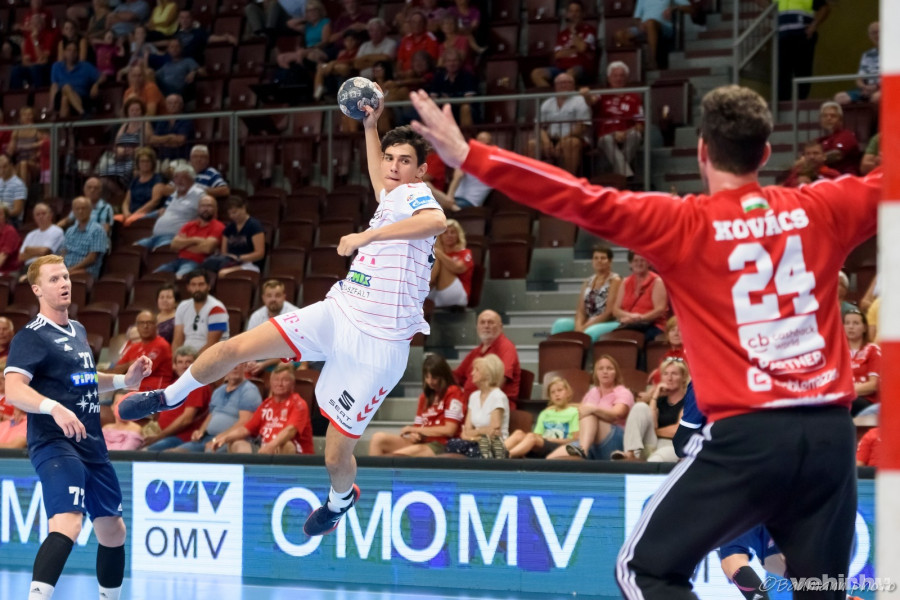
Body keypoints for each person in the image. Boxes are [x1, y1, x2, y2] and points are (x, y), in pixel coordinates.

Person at [409, 83, 881, 599]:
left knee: (644, 571)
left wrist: (471, 156)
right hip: (831, 437)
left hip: (749, 438)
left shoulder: (682, 223)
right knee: (821, 589)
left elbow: (576, 196)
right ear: (765, 153)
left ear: (702, 151)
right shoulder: (823, 206)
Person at [117, 93, 446, 537]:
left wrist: (366, 237)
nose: (393, 166)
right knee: (233, 348)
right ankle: (170, 396)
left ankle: (340, 500)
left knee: (335, 457)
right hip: (340, 310)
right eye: (390, 158)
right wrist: (370, 127)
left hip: (380, 345)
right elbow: (377, 174)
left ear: (420, 171)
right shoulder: (390, 196)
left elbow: (436, 222)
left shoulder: (417, 195)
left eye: (405, 161)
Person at [4, 255, 152, 600]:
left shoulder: (79, 330)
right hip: (54, 442)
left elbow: (84, 379)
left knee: (113, 530)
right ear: (37, 289)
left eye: (66, 277)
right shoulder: (31, 337)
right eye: (54, 279)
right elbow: (13, 390)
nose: (64, 284)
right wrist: (53, 408)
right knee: (68, 523)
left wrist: (124, 380)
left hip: (91, 443)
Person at [368, 353, 465, 457]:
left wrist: (415, 430)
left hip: (441, 444)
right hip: (421, 441)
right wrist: (414, 435)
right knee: (378, 438)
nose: (430, 382)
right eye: (427, 377)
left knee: (395, 457)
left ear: (442, 375)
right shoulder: (424, 397)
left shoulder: (454, 392)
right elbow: (417, 427)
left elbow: (449, 430)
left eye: (434, 378)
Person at [207, 363, 314, 454]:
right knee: (237, 443)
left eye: (285, 380)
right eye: (276, 380)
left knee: (286, 445)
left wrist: (271, 446)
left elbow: (289, 431)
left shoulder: (299, 404)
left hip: (292, 452)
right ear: (270, 383)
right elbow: (246, 429)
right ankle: (250, 471)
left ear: (292, 384)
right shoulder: (266, 405)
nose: (280, 384)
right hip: (264, 449)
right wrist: (224, 438)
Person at [167, 363, 262, 453]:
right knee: (173, 454)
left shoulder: (249, 390)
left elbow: (245, 422)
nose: (235, 367)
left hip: (230, 440)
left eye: (239, 363)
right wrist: (200, 431)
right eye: (232, 364)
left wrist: (220, 438)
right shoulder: (218, 391)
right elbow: (211, 415)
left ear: (244, 366)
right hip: (206, 438)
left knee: (209, 453)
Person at [613, 356, 688, 462]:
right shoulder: (659, 401)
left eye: (674, 374)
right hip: (653, 442)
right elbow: (652, 423)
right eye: (665, 374)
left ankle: (642, 465)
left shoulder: (689, 401)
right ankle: (631, 454)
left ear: (683, 377)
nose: (669, 378)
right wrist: (655, 396)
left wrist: (655, 431)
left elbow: (678, 431)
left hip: (673, 446)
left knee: (657, 458)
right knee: (640, 407)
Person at [141, 345, 210, 451]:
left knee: (145, 453)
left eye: (188, 362)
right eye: (180, 362)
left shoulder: (197, 385)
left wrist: (159, 437)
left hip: (181, 437)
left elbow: (186, 419)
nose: (184, 366)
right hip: (162, 433)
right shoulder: (176, 383)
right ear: (174, 366)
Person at [583, 62, 646, 178]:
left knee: (636, 135)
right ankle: (626, 175)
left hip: (627, 133)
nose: (618, 79)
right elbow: (591, 101)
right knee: (606, 139)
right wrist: (586, 95)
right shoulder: (602, 94)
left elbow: (640, 125)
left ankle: (619, 173)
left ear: (626, 78)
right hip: (606, 135)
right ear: (608, 78)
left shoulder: (634, 98)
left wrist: (624, 133)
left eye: (622, 76)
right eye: (615, 76)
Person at [444, 354, 510, 459]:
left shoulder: (498, 396)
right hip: (476, 442)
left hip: (494, 445)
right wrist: (479, 434)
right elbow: (465, 432)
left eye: (477, 370)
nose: (472, 373)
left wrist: (473, 434)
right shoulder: (474, 396)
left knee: (480, 449)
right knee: (451, 444)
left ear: (488, 374)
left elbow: (493, 432)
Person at [551, 244, 622, 341]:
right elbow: (581, 310)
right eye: (596, 258)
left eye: (603, 258)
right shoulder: (587, 282)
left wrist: (585, 327)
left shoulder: (615, 280)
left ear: (610, 261)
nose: (599, 261)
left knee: (590, 332)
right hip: (588, 320)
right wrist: (578, 327)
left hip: (607, 321)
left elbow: (609, 312)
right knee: (560, 324)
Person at [528, 72, 592, 175]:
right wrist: (546, 142)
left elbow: (582, 126)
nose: (563, 85)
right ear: (555, 86)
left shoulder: (580, 100)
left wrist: (562, 141)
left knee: (570, 143)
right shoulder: (547, 103)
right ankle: (534, 179)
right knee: (532, 144)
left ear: (573, 85)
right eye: (560, 83)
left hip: (574, 137)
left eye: (567, 82)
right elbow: (539, 126)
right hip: (551, 138)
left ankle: (568, 179)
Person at [453, 309, 521, 405]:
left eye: (491, 322)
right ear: (477, 327)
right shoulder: (476, 351)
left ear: (500, 327)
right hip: (471, 404)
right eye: (482, 322)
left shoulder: (507, 347)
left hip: (494, 405)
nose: (486, 326)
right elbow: (457, 376)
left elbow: (500, 379)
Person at [505, 376, 579, 459]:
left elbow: (575, 440)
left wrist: (552, 440)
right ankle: (496, 453)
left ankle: (507, 455)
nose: (556, 394)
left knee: (531, 436)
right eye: (552, 392)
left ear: (568, 393)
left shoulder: (574, 412)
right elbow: (537, 435)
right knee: (519, 433)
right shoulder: (545, 413)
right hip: (543, 445)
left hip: (560, 447)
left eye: (560, 390)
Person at [134, 163, 204, 249]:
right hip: (154, 237)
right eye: (176, 177)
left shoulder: (198, 194)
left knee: (159, 252)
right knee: (133, 249)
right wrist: (138, 218)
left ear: (191, 179)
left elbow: (206, 217)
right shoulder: (175, 194)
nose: (178, 181)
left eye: (183, 178)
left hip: (173, 238)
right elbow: (163, 211)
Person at [155, 194, 224, 278]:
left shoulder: (218, 226)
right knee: (155, 276)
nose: (205, 209)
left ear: (216, 209)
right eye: (203, 206)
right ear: (198, 209)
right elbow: (174, 245)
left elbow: (207, 248)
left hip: (198, 263)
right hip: (178, 260)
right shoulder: (189, 225)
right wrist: (195, 240)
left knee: (179, 278)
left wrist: (184, 245)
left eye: (209, 206)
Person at [531, 1, 597, 87]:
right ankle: (554, 95)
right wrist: (575, 50)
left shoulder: (589, 30)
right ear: (567, 14)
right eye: (571, 11)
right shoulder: (562, 34)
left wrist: (573, 31)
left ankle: (565, 94)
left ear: (582, 14)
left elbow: (582, 48)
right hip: (561, 68)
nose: (574, 14)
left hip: (581, 69)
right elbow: (557, 55)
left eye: (577, 11)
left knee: (569, 74)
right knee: (536, 73)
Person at [775, 0, 830, 101]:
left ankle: (801, 99)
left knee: (802, 70)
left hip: (802, 34)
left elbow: (824, 8)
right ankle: (783, 102)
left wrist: (814, 25)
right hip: (783, 36)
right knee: (783, 71)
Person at [615, 0, 692, 71]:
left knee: (650, 23)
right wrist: (639, 24)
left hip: (664, 26)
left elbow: (690, 7)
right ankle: (640, 57)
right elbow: (636, 18)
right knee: (619, 35)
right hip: (644, 27)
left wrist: (674, 8)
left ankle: (652, 61)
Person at [611, 251, 668, 343]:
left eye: (642, 260)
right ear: (630, 263)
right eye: (635, 260)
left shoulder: (657, 282)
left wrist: (640, 318)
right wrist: (631, 316)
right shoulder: (625, 282)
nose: (639, 263)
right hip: (629, 324)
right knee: (614, 339)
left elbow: (660, 310)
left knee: (638, 340)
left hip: (653, 325)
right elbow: (615, 310)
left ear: (649, 263)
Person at [110, 310, 173, 390]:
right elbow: (117, 370)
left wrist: (129, 366)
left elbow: (143, 370)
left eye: (149, 323)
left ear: (156, 325)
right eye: (141, 323)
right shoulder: (134, 347)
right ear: (137, 326)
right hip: (133, 390)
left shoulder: (162, 345)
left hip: (154, 391)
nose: (145, 326)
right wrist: (129, 364)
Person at [171, 269, 229, 355]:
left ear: (208, 286)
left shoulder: (217, 309)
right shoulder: (182, 307)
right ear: (188, 287)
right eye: (193, 285)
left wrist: (193, 362)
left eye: (201, 284)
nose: (197, 288)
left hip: (213, 356)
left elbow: (212, 345)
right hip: (187, 358)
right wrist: (175, 360)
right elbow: (177, 341)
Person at [210, 196, 266, 277]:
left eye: (234, 212)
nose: (232, 216)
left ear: (243, 208)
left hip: (250, 264)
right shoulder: (229, 228)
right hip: (231, 262)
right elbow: (224, 252)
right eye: (230, 214)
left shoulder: (254, 226)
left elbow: (260, 253)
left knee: (223, 273)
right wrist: (229, 258)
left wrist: (239, 258)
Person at [49, 39, 103, 119]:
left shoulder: (85, 66)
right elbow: (54, 86)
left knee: (65, 99)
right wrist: (51, 108)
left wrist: (96, 84)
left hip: (82, 98)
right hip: (59, 97)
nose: (72, 53)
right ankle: (83, 113)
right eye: (69, 50)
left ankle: (66, 126)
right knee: (66, 88)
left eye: (75, 51)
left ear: (77, 53)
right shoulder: (57, 66)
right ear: (64, 52)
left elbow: (102, 76)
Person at [428, 218, 473, 308]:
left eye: (453, 232)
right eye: (445, 232)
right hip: (436, 291)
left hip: (457, 295)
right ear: (440, 236)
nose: (449, 235)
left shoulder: (465, 252)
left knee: (437, 258)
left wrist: (439, 253)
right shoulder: (437, 252)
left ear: (458, 235)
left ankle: (423, 287)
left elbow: (458, 268)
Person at [844, 309, 880, 416]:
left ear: (864, 328)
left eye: (856, 323)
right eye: (847, 323)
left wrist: (846, 391)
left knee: (846, 404)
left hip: (866, 400)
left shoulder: (873, 350)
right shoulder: (837, 351)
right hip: (843, 398)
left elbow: (874, 385)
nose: (851, 327)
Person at [62, 196, 109, 279]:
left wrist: (70, 270)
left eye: (83, 208)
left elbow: (92, 258)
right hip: (67, 270)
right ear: (73, 211)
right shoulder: (70, 231)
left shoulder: (97, 230)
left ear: (90, 210)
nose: (80, 211)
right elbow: (64, 253)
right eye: (77, 209)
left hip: (86, 271)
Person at [834, 21, 879, 106]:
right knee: (840, 97)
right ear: (869, 36)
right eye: (873, 33)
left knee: (877, 97)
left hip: (886, 89)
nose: (877, 35)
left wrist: (876, 87)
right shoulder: (867, 54)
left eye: (879, 32)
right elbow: (859, 78)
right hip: (866, 88)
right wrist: (864, 87)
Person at [120, 146, 166, 223]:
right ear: (138, 163)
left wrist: (135, 215)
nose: (145, 164)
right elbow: (126, 202)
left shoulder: (157, 179)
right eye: (142, 161)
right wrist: (126, 213)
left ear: (152, 163)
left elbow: (155, 201)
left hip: (148, 214)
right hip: (131, 215)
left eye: (148, 161)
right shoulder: (135, 181)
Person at [816, 101, 861, 175]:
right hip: (826, 178)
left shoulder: (846, 135)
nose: (828, 118)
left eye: (833, 116)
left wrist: (813, 161)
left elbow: (837, 155)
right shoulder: (820, 140)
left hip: (845, 177)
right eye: (825, 116)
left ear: (840, 120)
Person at [0, 154, 27, 226]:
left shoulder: (18, 184)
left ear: (11, 166)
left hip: (12, 220)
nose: (2, 170)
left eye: (5, 167)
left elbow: (17, 210)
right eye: (0, 167)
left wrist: (2, 214)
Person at [0, 207, 22, 275]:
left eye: (0, 214)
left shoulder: (10, 231)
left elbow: (3, 256)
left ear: (5, 217)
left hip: (9, 272)